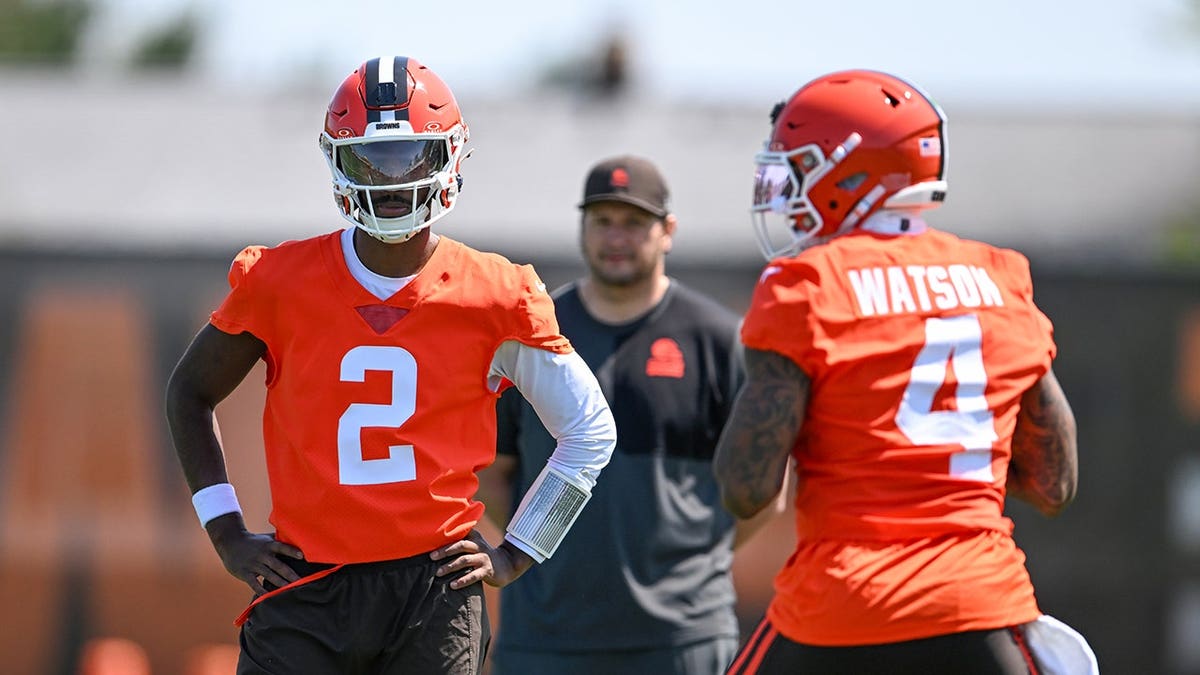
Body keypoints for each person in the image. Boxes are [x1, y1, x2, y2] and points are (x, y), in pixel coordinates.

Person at [164, 56, 616, 675]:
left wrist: (520, 549)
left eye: (411, 157)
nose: (393, 180)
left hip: (433, 589)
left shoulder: (495, 295)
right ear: (337, 164)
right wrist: (225, 530)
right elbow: (190, 393)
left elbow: (589, 429)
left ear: (450, 156)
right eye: (371, 160)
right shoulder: (280, 281)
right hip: (306, 581)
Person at [713, 70, 1099, 674]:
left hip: (840, 608)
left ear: (851, 172)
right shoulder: (1001, 278)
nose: (786, 193)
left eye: (799, 169)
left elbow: (746, 488)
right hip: (979, 604)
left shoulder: (808, 285)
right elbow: (1054, 483)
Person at [477, 155, 785, 675]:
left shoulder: (717, 341)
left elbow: (766, 491)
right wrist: (546, 542)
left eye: (634, 222)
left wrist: (694, 567)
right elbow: (491, 472)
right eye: (602, 221)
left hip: (681, 636)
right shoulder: (532, 337)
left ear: (668, 231)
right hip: (547, 632)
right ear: (582, 228)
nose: (616, 237)